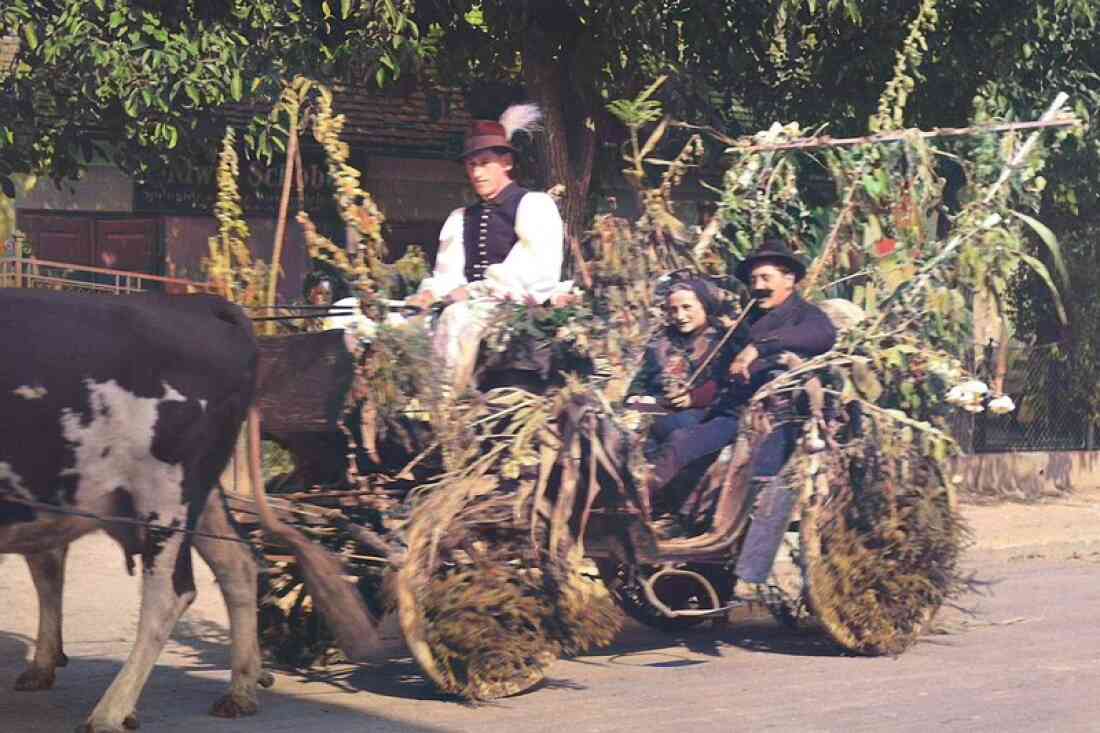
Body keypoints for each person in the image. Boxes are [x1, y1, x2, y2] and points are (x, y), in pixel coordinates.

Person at [648, 239, 837, 537]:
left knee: (681, 442)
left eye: (766, 278)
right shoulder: (748, 319)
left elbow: (822, 336)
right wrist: (692, 397)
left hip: (759, 419)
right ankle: (667, 512)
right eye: (753, 280)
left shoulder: (805, 315)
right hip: (725, 408)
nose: (757, 286)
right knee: (666, 425)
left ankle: (636, 508)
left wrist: (757, 348)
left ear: (789, 279)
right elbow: (724, 378)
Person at [407, 104, 570, 392]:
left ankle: (441, 408)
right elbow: (449, 273)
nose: (476, 172)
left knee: (456, 318)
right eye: (472, 165)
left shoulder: (533, 205)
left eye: (484, 163)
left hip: (510, 307)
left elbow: (534, 273)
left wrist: (471, 292)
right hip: (468, 306)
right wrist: (432, 293)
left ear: (506, 162)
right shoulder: (461, 218)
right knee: (400, 323)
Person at [625, 278, 735, 460]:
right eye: (673, 310)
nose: (679, 316)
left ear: (705, 306)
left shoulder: (722, 341)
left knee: (669, 428)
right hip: (654, 406)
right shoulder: (661, 341)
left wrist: (693, 398)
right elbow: (641, 379)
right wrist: (635, 396)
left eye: (687, 307)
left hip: (699, 413)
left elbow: (726, 386)